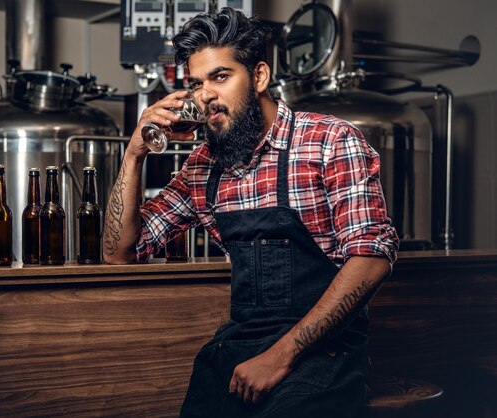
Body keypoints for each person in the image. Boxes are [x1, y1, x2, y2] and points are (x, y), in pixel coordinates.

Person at [103, 7, 399, 418]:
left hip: (323, 353)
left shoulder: (330, 141)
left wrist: (280, 357)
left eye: (220, 77)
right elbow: (119, 253)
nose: (205, 95)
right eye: (196, 83)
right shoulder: (202, 166)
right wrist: (134, 153)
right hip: (239, 349)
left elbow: (371, 260)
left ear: (259, 76)